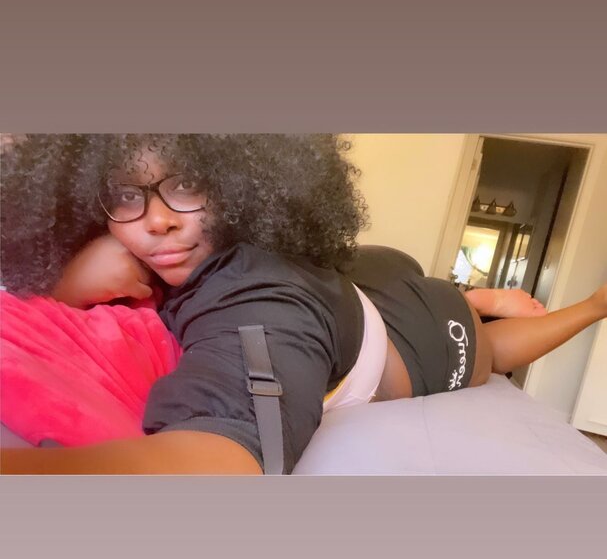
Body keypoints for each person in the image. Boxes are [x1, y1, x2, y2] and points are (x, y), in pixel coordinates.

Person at [1, 133, 605, 475]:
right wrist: (66, 283)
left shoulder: (259, 301)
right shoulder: (223, 256)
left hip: (442, 338)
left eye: (185, 184)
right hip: (368, 287)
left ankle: (589, 304)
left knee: (491, 348)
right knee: (380, 263)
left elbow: (223, 458)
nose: (156, 220)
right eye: (124, 195)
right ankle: (478, 293)